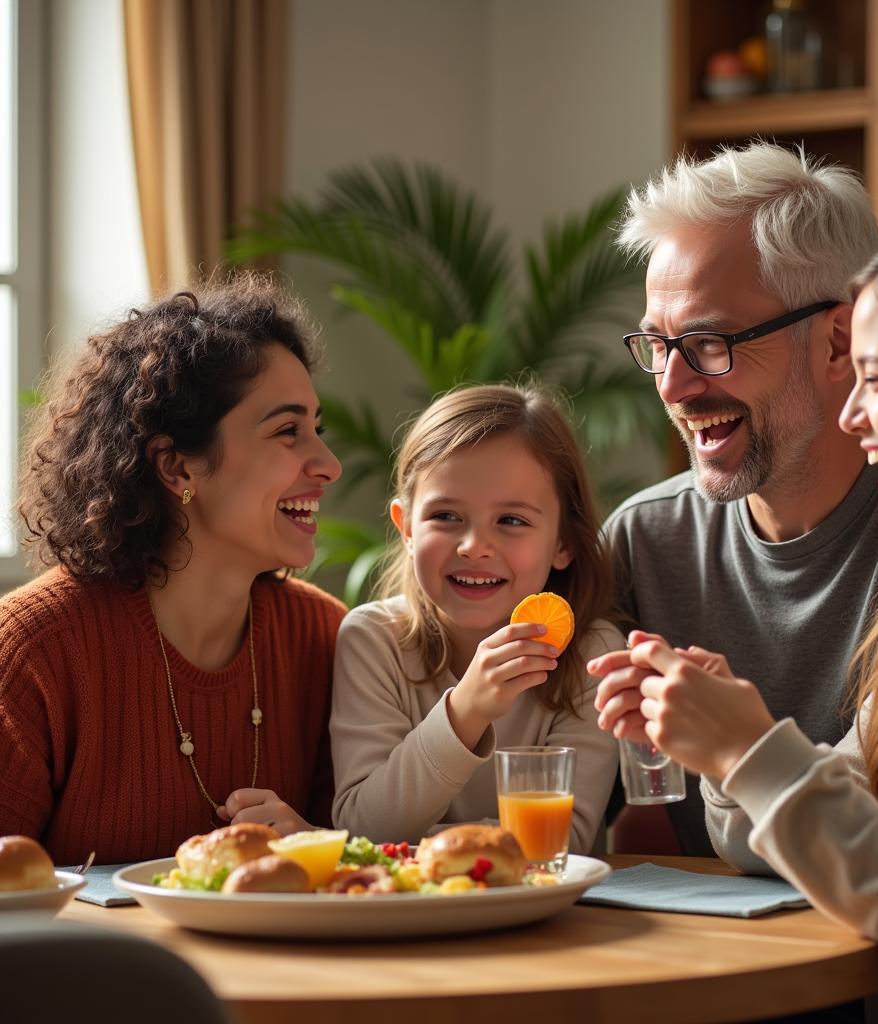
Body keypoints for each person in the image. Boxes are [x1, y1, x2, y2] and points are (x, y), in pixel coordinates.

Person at [593, 209, 878, 1021]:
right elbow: (832, 827)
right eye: (660, 348)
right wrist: (726, 748)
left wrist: (749, 746)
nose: (854, 415)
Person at [602, 141, 878, 855]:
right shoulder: (642, 543)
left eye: (708, 342)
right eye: (658, 344)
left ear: (837, 343)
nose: (671, 386)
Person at [0, 276, 345, 865]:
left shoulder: (324, 638)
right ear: (176, 467)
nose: (329, 465)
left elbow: (373, 876)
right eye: (288, 431)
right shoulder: (36, 652)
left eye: (317, 429)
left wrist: (314, 846)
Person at [330, 384, 619, 851]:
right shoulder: (373, 641)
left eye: (511, 521)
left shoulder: (593, 654)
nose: (474, 546)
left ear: (563, 542)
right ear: (406, 527)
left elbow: (560, 844)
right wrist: (466, 711)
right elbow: (365, 826)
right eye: (445, 515)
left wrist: (411, 843)